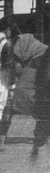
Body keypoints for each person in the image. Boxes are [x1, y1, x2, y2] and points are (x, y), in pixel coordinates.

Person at [0, 23, 17, 152]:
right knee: (1, 108)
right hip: (2, 78)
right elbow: (9, 65)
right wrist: (12, 85)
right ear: (7, 30)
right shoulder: (7, 44)